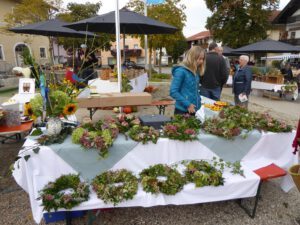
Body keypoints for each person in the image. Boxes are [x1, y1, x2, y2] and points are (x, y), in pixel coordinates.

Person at [170, 46, 206, 115]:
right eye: (199, 59)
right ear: (192, 58)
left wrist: (198, 100)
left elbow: (194, 90)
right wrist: (188, 104)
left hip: (193, 109)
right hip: (182, 111)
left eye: (203, 59)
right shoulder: (181, 71)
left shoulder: (195, 70)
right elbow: (173, 91)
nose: (201, 61)